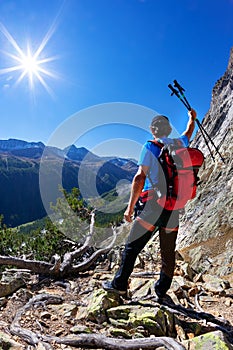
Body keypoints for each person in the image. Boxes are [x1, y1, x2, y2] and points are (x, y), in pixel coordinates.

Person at [102, 109, 196, 298]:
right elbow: (188, 132)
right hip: (174, 208)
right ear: (168, 130)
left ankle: (119, 284)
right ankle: (161, 290)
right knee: (168, 250)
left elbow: (139, 178)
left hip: (152, 206)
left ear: (153, 129)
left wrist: (129, 208)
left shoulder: (150, 146)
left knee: (132, 246)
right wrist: (191, 118)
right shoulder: (179, 144)